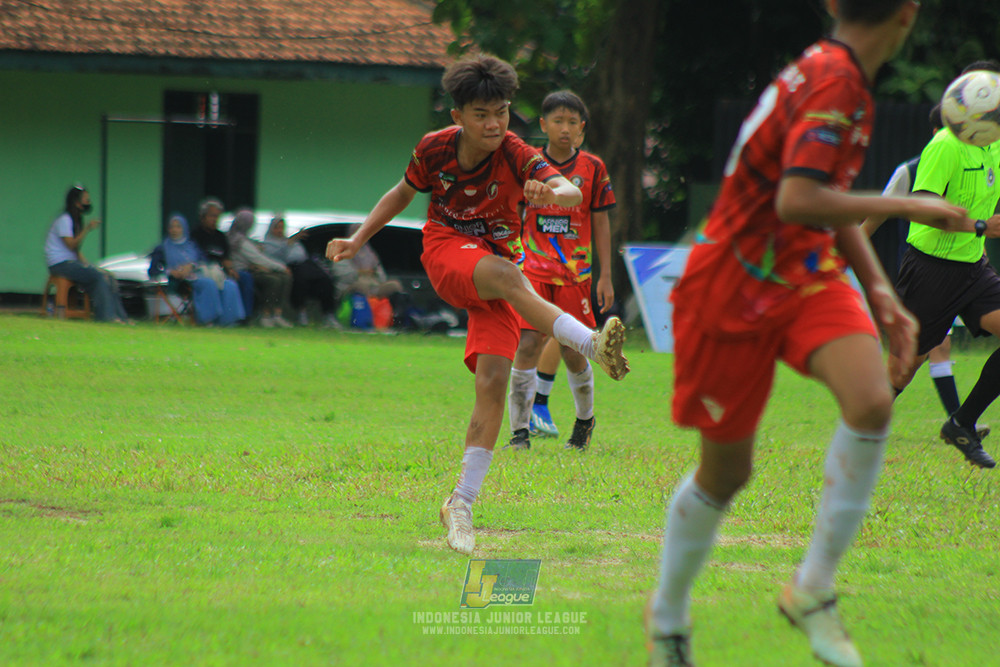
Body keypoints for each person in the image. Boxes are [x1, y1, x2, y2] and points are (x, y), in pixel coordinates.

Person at [646, 3, 972, 666]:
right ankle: (668, 619)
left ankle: (812, 588)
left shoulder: (834, 74)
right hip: (731, 281)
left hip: (802, 270)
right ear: (909, 14)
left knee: (873, 399)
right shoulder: (834, 82)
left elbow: (825, 193)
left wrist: (879, 290)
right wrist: (911, 203)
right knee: (726, 470)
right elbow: (799, 198)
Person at [325, 54, 629, 557]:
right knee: (512, 276)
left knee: (492, 383)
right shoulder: (434, 149)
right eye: (482, 114)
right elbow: (402, 194)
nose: (495, 124)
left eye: (503, 113)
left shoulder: (515, 152)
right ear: (458, 117)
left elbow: (571, 189)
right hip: (447, 252)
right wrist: (358, 239)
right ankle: (591, 344)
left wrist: (551, 190)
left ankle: (460, 505)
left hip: (496, 271)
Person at [867, 60, 1000, 470]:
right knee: (902, 372)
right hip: (931, 269)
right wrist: (980, 225)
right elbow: (920, 209)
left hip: (973, 268)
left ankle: (961, 422)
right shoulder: (944, 145)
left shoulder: (993, 143)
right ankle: (859, 432)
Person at [506, 90, 616, 451]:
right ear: (543, 125)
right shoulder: (529, 165)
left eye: (572, 122)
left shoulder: (593, 169)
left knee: (573, 352)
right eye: (557, 121)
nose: (564, 129)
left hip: (575, 276)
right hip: (533, 273)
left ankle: (584, 422)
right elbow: (512, 214)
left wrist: (605, 275)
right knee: (527, 344)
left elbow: (600, 222)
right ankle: (519, 433)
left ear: (582, 129)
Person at [861, 104, 976, 426]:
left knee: (935, 348)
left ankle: (957, 421)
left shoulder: (976, 165)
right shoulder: (910, 170)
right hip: (924, 273)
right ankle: (871, 412)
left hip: (964, 270)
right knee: (926, 351)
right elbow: (878, 214)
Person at [44, 184, 130, 323]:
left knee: (108, 276)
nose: (88, 202)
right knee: (99, 276)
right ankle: (106, 317)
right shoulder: (64, 220)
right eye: (86, 199)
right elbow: (71, 244)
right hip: (60, 264)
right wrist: (87, 228)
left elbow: (75, 251)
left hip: (71, 263)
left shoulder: (75, 220)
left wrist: (88, 265)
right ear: (77, 202)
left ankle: (122, 317)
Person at [148, 213, 245, 326]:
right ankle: (208, 320)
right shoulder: (163, 248)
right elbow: (153, 271)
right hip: (181, 281)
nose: (174, 230)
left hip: (200, 273)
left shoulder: (192, 245)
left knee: (229, 284)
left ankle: (229, 320)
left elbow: (204, 261)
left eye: (178, 227)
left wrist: (191, 266)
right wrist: (171, 272)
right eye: (172, 227)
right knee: (208, 284)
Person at [261, 214, 341, 328]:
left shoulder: (289, 240)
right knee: (301, 281)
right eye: (277, 228)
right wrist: (289, 242)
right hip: (290, 266)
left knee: (325, 280)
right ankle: (301, 312)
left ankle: (328, 314)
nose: (279, 231)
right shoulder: (268, 243)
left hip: (305, 263)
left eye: (281, 228)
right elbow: (276, 256)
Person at [190, 197, 256, 319]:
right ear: (203, 217)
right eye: (211, 216)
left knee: (239, 280)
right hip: (202, 270)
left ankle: (238, 318)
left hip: (220, 270)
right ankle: (210, 317)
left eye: (217, 216)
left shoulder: (220, 236)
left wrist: (230, 268)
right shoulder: (195, 235)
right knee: (212, 281)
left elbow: (226, 257)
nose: (215, 219)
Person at [228, 209, 294, 328]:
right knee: (274, 280)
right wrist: (281, 267)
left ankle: (277, 314)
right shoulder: (240, 241)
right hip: (244, 271)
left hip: (253, 268)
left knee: (284, 277)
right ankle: (266, 315)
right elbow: (258, 258)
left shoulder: (243, 239)